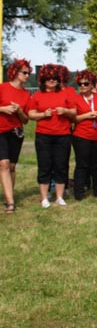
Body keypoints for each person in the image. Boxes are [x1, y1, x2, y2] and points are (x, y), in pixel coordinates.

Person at [28, 64, 76, 208]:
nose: (52, 80)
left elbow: (74, 111)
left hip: (63, 135)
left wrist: (65, 111)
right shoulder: (37, 95)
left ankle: (60, 197)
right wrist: (43, 114)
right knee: (44, 166)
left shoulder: (65, 93)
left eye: (55, 78)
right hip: (44, 136)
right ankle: (44, 198)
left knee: (61, 165)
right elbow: (30, 114)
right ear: (43, 79)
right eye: (48, 78)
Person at [0, 59, 32, 213]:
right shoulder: (3, 88)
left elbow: (26, 120)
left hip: (16, 132)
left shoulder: (26, 94)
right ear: (15, 72)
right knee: (4, 164)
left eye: (28, 73)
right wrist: (3, 109)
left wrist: (19, 111)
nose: (27, 75)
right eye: (24, 72)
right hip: (1, 131)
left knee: (11, 166)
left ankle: (9, 195)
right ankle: (10, 202)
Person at [71, 69, 97, 200]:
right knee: (82, 164)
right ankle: (79, 192)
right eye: (80, 84)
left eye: (86, 84)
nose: (83, 86)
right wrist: (88, 115)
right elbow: (74, 118)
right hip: (82, 135)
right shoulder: (76, 98)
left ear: (92, 84)